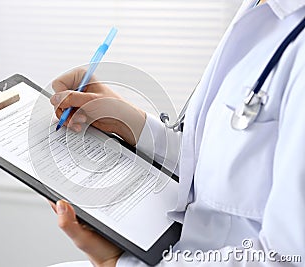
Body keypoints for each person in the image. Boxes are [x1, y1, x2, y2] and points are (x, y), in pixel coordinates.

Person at [47, 0, 305, 266]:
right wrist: (128, 121)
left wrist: (117, 263)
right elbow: (219, 165)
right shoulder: (257, 8)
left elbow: (288, 258)